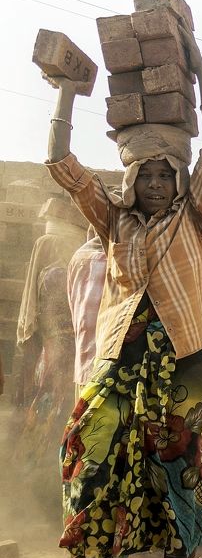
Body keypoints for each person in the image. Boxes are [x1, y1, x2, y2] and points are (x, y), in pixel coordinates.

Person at [45, 28, 202, 558]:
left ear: (178, 179)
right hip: (121, 363)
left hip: (182, 363)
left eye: (163, 175)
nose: (154, 184)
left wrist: (198, 69)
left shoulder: (195, 215)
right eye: (145, 175)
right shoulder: (114, 222)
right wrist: (68, 94)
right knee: (88, 457)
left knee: (184, 474)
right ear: (131, 181)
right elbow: (60, 166)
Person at [14, 199, 86, 468]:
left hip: (59, 352)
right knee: (51, 408)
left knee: (49, 408)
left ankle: (33, 468)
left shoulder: (61, 269)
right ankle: (36, 470)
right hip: (60, 353)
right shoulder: (58, 272)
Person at [67, 226, 108, 394]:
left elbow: (72, 303)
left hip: (83, 361)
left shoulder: (77, 257)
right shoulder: (114, 260)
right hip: (109, 366)